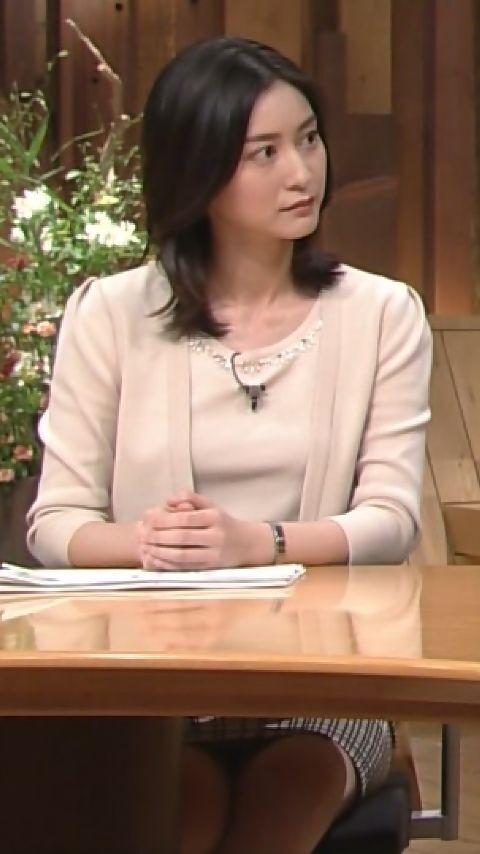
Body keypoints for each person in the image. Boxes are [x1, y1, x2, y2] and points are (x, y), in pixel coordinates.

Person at [27, 36, 432, 854]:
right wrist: (152, 544)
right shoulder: (109, 314)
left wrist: (259, 543)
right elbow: (54, 524)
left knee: (283, 796)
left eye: (308, 139)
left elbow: (390, 522)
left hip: (324, 684)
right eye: (265, 153)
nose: (302, 172)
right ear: (201, 170)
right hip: (159, 682)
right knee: (182, 810)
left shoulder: (383, 313)